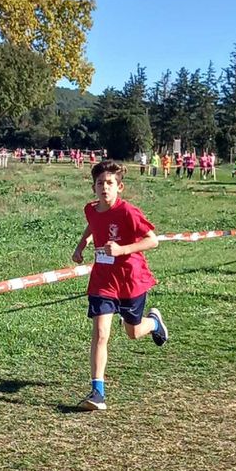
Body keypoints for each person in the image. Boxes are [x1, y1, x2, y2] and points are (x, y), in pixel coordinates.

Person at [71, 160, 168, 411]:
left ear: (120, 187)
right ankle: (97, 392)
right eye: (100, 183)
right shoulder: (91, 210)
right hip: (103, 280)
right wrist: (81, 245)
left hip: (130, 279)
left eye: (110, 183)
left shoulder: (128, 212)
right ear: (93, 187)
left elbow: (152, 240)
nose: (105, 187)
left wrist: (122, 249)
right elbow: (92, 225)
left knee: (133, 332)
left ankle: (155, 323)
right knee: (101, 333)